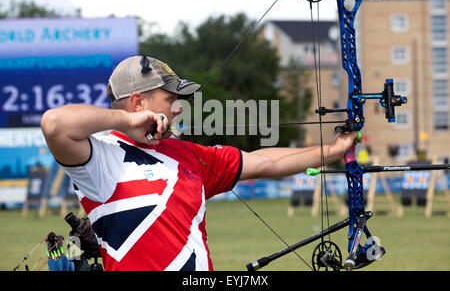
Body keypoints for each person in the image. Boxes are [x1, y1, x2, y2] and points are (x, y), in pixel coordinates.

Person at [41, 55, 357, 271]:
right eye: (170, 99)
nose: (178, 109)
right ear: (139, 102)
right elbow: (55, 124)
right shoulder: (102, 156)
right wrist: (127, 120)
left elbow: (262, 162)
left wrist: (332, 150)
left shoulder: (184, 154)